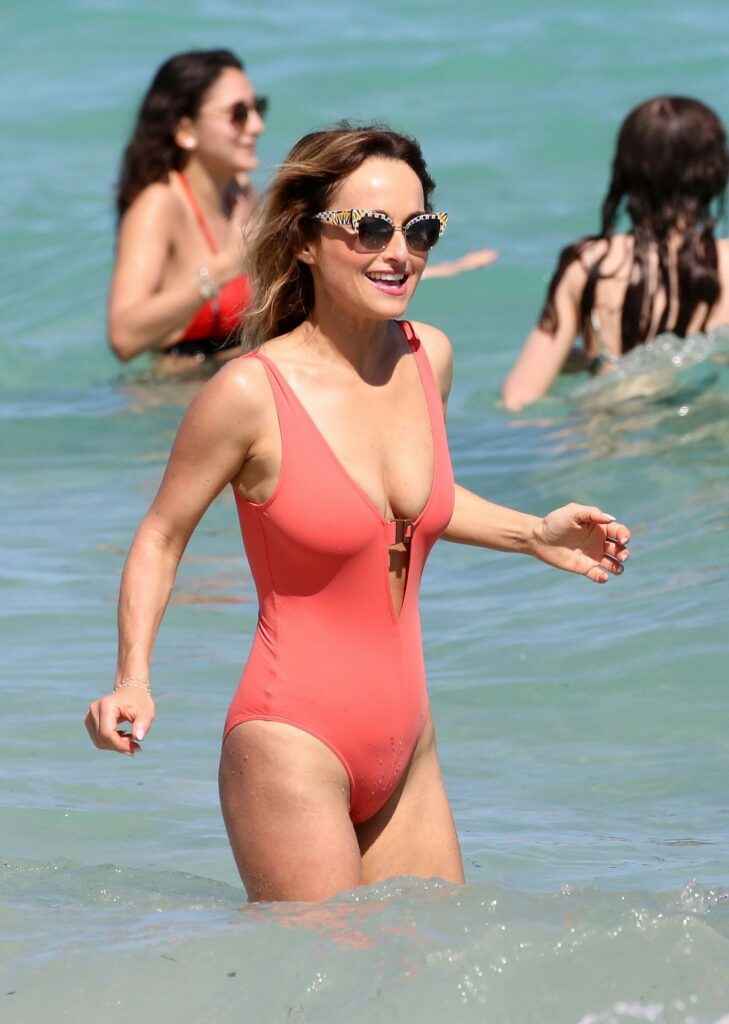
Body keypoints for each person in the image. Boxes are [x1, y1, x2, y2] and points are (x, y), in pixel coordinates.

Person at [86, 125, 630, 902]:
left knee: (436, 963)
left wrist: (530, 533)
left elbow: (409, 504)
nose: (398, 252)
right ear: (305, 240)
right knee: (323, 975)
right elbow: (161, 534)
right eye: (370, 228)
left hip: (409, 743)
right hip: (289, 741)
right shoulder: (248, 394)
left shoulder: (426, 357)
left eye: (419, 230)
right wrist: (132, 678)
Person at [502, 95, 729, 410]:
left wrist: (592, 361)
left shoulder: (589, 265)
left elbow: (517, 397)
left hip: (609, 425)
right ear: (715, 172)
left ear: (624, 169)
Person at [107, 49, 266, 366]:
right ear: (186, 131)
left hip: (240, 376)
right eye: (238, 114)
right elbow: (123, 336)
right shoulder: (159, 204)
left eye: (257, 108)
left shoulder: (242, 195)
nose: (257, 125)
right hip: (177, 390)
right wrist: (224, 268)